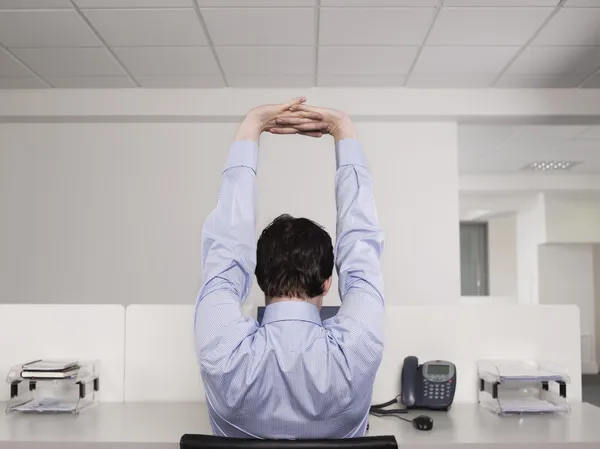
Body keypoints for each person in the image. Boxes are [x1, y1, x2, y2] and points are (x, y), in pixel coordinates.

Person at [195, 97, 385, 439]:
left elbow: (226, 248)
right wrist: (343, 128)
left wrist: (252, 123)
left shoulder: (222, 349)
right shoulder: (357, 350)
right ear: (328, 282)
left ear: (258, 277)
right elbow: (361, 250)